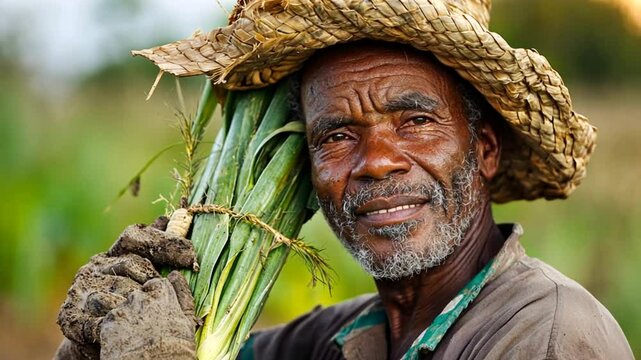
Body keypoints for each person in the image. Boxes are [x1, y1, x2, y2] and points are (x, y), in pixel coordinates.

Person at [55, 0, 634, 359]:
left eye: (415, 121)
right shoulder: (336, 339)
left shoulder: (548, 337)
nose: (377, 161)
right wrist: (95, 336)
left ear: (483, 149)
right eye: (335, 135)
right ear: (305, 176)